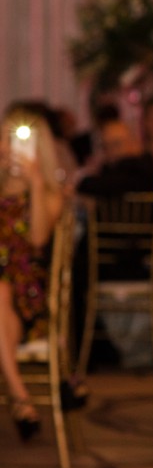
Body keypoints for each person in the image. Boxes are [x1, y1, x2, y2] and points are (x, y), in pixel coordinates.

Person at [0, 105, 65, 441]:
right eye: (8, 136)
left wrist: (35, 183)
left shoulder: (49, 194)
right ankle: (20, 398)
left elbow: (38, 238)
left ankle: (19, 398)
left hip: (28, 296)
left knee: (0, 293)